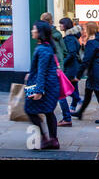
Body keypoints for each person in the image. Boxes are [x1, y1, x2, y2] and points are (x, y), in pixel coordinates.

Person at [25, 21, 60, 150]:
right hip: (46, 84)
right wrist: (30, 74)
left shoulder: (43, 49)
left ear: (40, 32)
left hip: (43, 86)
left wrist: (39, 91)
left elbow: (42, 71)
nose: (32, 31)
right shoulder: (44, 46)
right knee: (48, 111)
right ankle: (52, 140)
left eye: (34, 29)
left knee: (29, 110)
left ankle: (46, 138)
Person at [71, 22, 99, 124]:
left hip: (95, 72)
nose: (84, 31)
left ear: (89, 30)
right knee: (88, 93)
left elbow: (86, 60)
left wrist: (78, 75)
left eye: (85, 29)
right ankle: (80, 112)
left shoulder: (91, 43)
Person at [57, 18, 83, 127]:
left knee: (63, 88)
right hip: (74, 67)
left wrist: (62, 63)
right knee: (73, 86)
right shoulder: (71, 37)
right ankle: (73, 106)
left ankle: (77, 99)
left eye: (61, 24)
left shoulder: (69, 38)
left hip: (71, 67)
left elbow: (71, 53)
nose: (60, 26)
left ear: (66, 25)